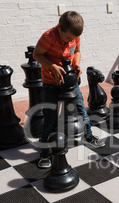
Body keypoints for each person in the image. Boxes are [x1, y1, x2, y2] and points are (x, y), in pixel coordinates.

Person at [33, 11, 104, 168]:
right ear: (60, 28)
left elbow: (77, 51)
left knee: (81, 109)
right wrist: (52, 66)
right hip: (51, 82)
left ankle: (89, 135)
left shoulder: (74, 35)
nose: (71, 40)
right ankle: (45, 152)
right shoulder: (48, 37)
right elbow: (37, 55)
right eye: (67, 38)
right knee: (50, 117)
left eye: (73, 38)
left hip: (70, 82)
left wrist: (77, 64)